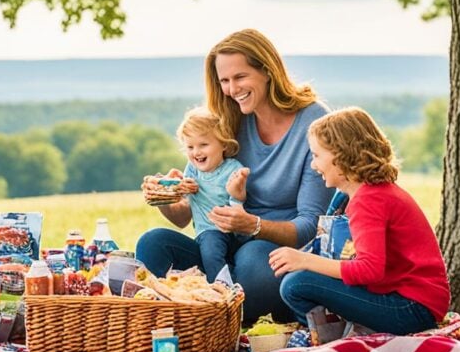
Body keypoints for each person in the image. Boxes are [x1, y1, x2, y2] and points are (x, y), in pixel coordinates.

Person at [137, 29, 333, 322]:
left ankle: (209, 318)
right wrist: (167, 196)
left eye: (240, 77)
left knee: (253, 262)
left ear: (268, 71)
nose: (231, 89)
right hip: (220, 247)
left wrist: (253, 225)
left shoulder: (313, 122)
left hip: (277, 253)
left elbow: (310, 224)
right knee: (152, 243)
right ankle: (196, 313)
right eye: (224, 81)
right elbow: (185, 217)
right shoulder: (230, 119)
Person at [270, 107, 450, 335]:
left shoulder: (369, 200)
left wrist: (305, 261)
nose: (313, 165)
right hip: (406, 299)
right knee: (297, 278)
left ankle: (330, 336)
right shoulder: (357, 195)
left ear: (340, 156)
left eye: (316, 156)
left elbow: (369, 270)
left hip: (412, 308)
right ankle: (342, 330)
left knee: (296, 284)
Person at [156, 107, 250, 283]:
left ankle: (229, 291)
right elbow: (184, 204)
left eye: (203, 145)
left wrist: (237, 194)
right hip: (209, 230)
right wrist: (176, 188)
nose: (196, 152)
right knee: (211, 253)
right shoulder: (192, 170)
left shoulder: (233, 168)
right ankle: (222, 289)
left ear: (223, 144)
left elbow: (238, 201)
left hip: (236, 231)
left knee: (231, 255)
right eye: (190, 147)